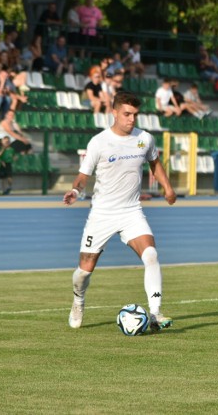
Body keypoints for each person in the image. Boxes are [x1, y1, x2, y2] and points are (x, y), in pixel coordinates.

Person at [62, 91, 177, 331]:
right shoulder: (99, 142)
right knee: (84, 271)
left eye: (135, 114)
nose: (132, 119)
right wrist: (75, 191)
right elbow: (84, 176)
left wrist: (167, 187)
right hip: (102, 214)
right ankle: (78, 301)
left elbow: (154, 162)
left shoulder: (145, 139)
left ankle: (155, 313)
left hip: (131, 212)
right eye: (127, 114)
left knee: (151, 255)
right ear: (114, 112)